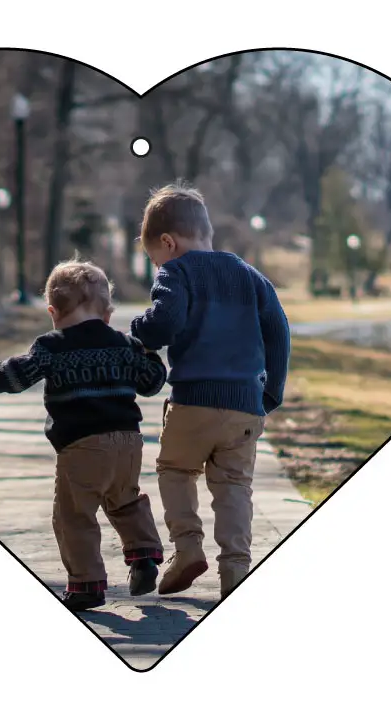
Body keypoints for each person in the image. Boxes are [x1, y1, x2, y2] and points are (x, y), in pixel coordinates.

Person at [0, 258, 168, 611]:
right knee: (125, 500)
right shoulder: (124, 344)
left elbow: (16, 375)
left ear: (53, 312)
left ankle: (86, 584)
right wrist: (151, 354)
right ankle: (144, 555)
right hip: (128, 443)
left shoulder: (51, 346)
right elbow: (151, 383)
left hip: (82, 445)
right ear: (107, 313)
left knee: (74, 515)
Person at [130, 182, 291, 600]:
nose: (158, 265)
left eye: (155, 258)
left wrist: (139, 329)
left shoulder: (177, 272)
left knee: (175, 470)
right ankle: (235, 570)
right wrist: (271, 393)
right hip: (245, 406)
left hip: (194, 402)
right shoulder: (250, 276)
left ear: (169, 243)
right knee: (235, 486)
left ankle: (187, 548)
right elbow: (278, 331)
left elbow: (164, 323)